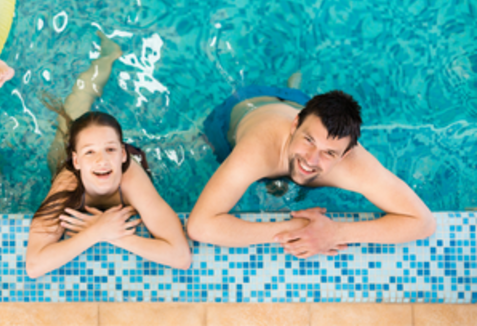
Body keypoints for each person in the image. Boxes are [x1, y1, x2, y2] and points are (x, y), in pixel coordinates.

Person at [187, 87, 436, 258]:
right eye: (308, 140)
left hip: (300, 103)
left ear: (346, 154)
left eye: (329, 153)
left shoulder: (353, 164)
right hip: (243, 110)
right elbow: (200, 226)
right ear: (295, 125)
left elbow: (422, 222)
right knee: (206, 148)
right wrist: (296, 228)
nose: (311, 159)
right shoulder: (256, 151)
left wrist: (336, 232)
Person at [25, 34, 191, 278]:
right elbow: (34, 265)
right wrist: (97, 233)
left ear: (123, 154)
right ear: (77, 161)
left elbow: (180, 256)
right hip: (68, 164)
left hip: (116, 168)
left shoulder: (132, 179)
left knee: (88, 131)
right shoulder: (67, 182)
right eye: (90, 152)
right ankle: (109, 56)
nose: (101, 161)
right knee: (73, 111)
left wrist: (106, 233)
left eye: (111, 150)